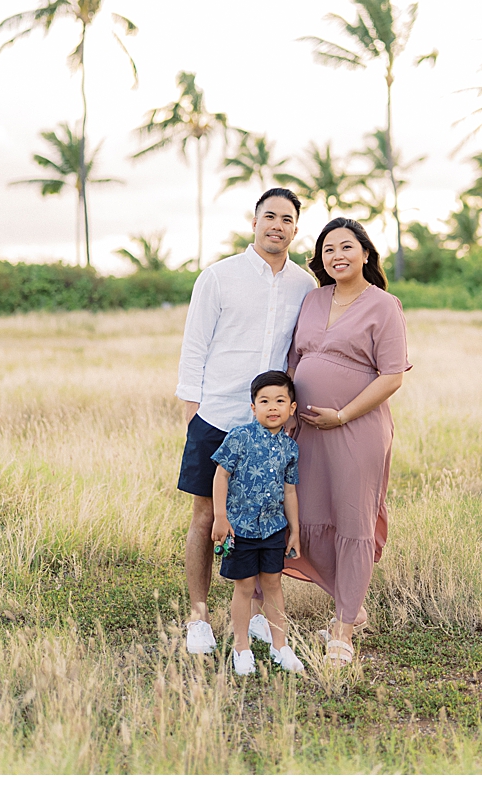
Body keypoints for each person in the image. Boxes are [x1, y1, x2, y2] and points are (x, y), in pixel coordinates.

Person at [175, 187, 317, 656]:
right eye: (269, 216)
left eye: (287, 219)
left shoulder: (304, 285)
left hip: (269, 426)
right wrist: (193, 411)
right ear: (253, 222)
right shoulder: (218, 277)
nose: (278, 225)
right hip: (216, 413)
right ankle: (199, 617)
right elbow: (194, 344)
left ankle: (257, 616)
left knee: (264, 519)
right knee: (205, 517)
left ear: (296, 228)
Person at [283, 217, 409, 665]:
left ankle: (342, 629)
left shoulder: (384, 305)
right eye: (328, 249)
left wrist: (343, 414)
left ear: (366, 254)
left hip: (357, 428)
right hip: (307, 429)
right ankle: (352, 608)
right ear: (320, 258)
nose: (337, 255)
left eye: (346, 247)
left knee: (353, 520)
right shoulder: (312, 299)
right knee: (310, 515)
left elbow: (392, 375)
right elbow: (296, 360)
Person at [211, 370, 305, 675]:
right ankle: (242, 648)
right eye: (264, 401)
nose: (272, 407)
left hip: (274, 528)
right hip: (241, 529)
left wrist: (295, 531)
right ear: (253, 407)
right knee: (245, 586)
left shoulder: (290, 448)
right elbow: (221, 475)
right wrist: (220, 518)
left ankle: (281, 646)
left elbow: (289, 491)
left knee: (273, 583)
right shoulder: (240, 437)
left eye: (280, 400)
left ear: (292, 408)